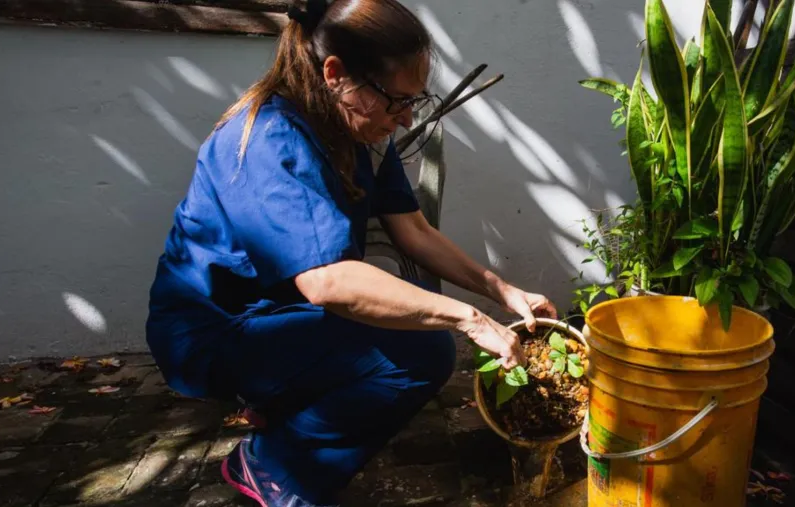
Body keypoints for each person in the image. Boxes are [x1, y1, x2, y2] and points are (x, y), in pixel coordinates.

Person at [145, 0, 557, 506]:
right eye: (395, 100)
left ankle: (285, 399)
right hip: (213, 331)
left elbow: (414, 231)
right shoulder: (271, 139)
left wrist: (503, 291)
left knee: (409, 323)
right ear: (335, 74)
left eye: (415, 102)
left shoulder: (355, 134)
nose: (406, 120)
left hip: (279, 314)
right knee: (420, 352)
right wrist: (467, 318)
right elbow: (329, 282)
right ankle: (273, 465)